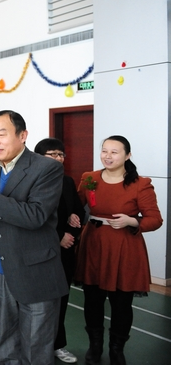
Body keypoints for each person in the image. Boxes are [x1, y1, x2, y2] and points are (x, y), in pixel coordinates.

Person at [0, 110, 68, 365]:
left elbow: (35, 215)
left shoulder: (47, 168)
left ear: (23, 135)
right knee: (5, 343)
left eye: (2, 134)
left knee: (36, 346)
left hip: (35, 272)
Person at [75, 136, 163, 365]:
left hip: (124, 246)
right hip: (94, 244)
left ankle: (117, 349)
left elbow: (155, 219)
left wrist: (132, 221)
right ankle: (95, 346)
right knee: (92, 300)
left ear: (127, 155)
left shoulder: (140, 183)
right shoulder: (90, 178)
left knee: (121, 303)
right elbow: (76, 206)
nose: (108, 156)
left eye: (114, 152)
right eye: (104, 151)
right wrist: (70, 218)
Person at [34, 138, 85, 364]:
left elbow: (77, 211)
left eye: (61, 154)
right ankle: (35, 347)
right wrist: (58, 236)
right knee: (39, 305)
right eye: (52, 154)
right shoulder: (32, 182)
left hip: (64, 253)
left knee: (61, 301)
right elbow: (35, 219)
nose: (58, 158)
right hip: (40, 252)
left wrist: (74, 221)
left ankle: (57, 345)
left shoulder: (67, 181)